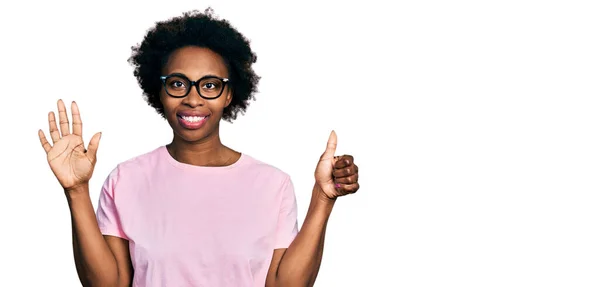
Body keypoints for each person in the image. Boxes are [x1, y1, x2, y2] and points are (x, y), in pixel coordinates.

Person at [38, 8, 360, 287]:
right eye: (178, 83)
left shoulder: (273, 186)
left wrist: (322, 199)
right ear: (160, 91)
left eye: (210, 85)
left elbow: (285, 284)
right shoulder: (126, 180)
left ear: (229, 95)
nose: (193, 99)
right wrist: (77, 191)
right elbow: (109, 284)